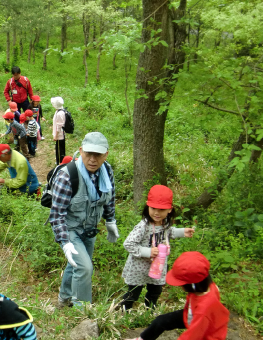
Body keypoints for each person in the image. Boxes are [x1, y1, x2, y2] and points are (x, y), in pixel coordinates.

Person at [48, 132, 118, 308]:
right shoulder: (67, 176)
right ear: (81, 151)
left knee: (76, 265)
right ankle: (82, 311)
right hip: (71, 229)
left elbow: (110, 198)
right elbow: (57, 213)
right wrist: (65, 242)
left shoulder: (107, 171)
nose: (93, 159)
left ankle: (63, 299)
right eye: (89, 154)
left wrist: (110, 221)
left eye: (98, 155)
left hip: (90, 229)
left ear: (106, 154)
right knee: (85, 268)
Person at [120, 185, 195, 311]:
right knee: (134, 292)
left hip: (158, 266)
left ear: (169, 210)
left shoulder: (165, 224)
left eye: (161, 210)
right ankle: (124, 311)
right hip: (139, 267)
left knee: (155, 290)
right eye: (153, 208)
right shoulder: (143, 226)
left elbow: (169, 232)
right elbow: (128, 244)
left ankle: (149, 311)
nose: (156, 213)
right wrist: (147, 251)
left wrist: (183, 232)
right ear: (147, 206)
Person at [126, 252, 230, 340]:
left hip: (207, 332)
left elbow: (193, 336)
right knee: (161, 321)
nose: (180, 286)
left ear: (192, 285)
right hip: (191, 313)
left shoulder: (203, 310)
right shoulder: (207, 285)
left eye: (181, 284)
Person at [51, 97, 66, 165]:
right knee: (58, 149)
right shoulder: (58, 111)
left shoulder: (60, 113)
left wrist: (56, 136)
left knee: (60, 150)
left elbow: (59, 126)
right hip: (58, 134)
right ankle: (58, 161)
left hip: (60, 135)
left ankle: (61, 163)